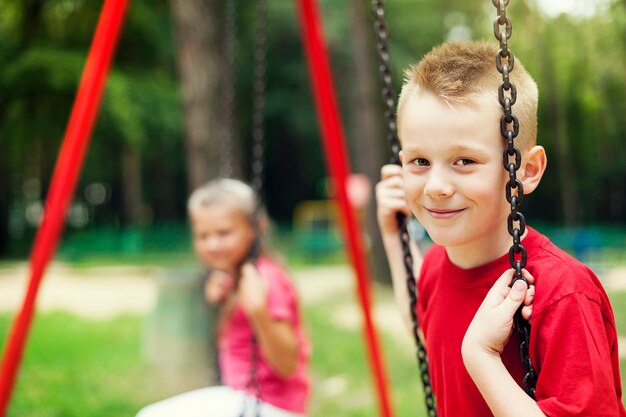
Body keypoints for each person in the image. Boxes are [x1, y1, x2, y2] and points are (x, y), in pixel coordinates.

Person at [376, 40, 626, 417]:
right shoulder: (436, 266)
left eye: (464, 160)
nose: (435, 186)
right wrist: (394, 237)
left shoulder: (561, 295)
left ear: (526, 170)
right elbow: (422, 320)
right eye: (420, 160)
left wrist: (482, 356)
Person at [137, 178, 310, 417]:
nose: (213, 244)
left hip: (274, 406)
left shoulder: (265, 279)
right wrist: (217, 301)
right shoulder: (233, 277)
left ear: (255, 229)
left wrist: (259, 312)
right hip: (245, 397)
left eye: (224, 233)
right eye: (203, 235)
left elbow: (288, 365)